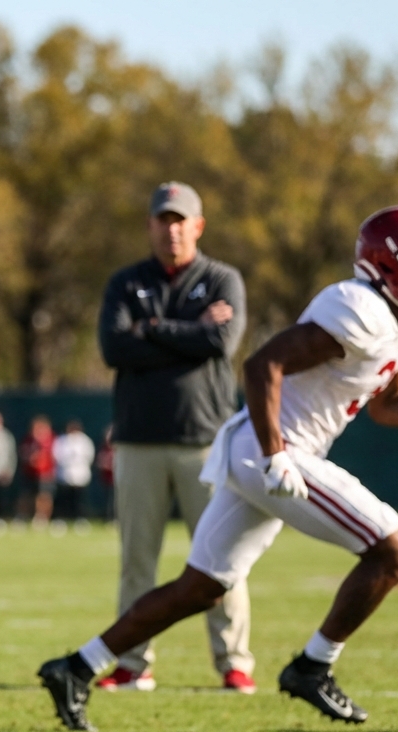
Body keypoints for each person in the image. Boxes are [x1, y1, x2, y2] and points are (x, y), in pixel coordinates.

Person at [38, 205, 398, 731]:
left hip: (271, 452)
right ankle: (313, 666)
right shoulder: (358, 307)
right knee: (392, 550)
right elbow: (262, 364)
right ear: (387, 264)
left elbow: (386, 405)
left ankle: (75, 667)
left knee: (201, 586)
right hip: (276, 451)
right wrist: (275, 455)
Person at [93, 181, 253, 693]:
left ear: (198, 226)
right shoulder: (126, 281)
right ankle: (132, 662)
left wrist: (150, 329)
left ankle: (234, 662)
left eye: (180, 220)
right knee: (137, 561)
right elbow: (114, 348)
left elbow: (221, 340)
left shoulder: (223, 278)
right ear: (150, 225)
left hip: (206, 441)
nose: (172, 230)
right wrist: (188, 330)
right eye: (163, 220)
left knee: (222, 558)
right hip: (138, 440)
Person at [52, 421, 96, 519]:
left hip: (80, 474)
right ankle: (63, 517)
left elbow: (89, 456)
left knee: (80, 498)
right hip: (65, 474)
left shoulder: (84, 441)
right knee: (64, 498)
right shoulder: (62, 440)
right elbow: (57, 455)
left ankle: (80, 518)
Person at [19, 415, 56, 525]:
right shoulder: (28, 440)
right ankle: (23, 516)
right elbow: (23, 454)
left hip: (46, 473)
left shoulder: (52, 440)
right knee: (26, 496)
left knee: (44, 496)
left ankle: (42, 517)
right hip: (30, 473)